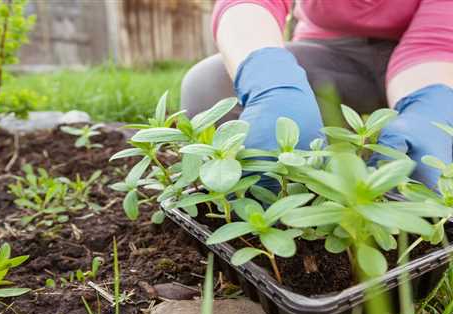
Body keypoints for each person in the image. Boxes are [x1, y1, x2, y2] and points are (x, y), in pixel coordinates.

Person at [181, 0, 453, 188]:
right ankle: (313, 172)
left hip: (435, 64)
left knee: (432, 140)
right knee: (209, 84)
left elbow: (434, 43)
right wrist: (269, 79)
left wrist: (427, 109)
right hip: (331, 53)